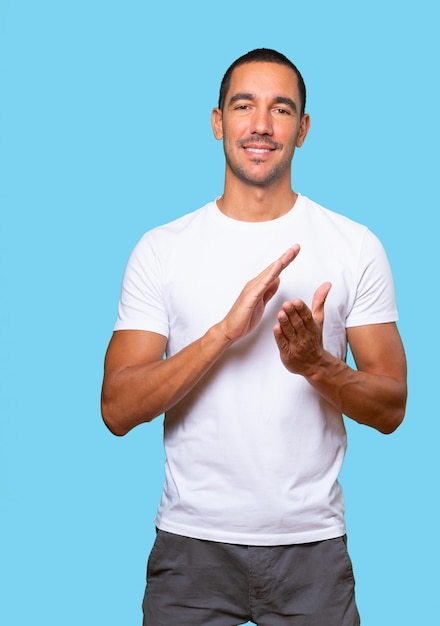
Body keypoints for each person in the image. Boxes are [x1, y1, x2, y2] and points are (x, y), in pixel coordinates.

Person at [101, 48, 407, 626]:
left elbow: (392, 407)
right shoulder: (162, 249)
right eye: (244, 106)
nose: (261, 125)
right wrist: (223, 333)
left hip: (312, 552)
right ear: (218, 121)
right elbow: (117, 409)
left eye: (281, 109)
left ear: (304, 128)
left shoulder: (354, 246)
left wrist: (318, 365)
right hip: (190, 549)